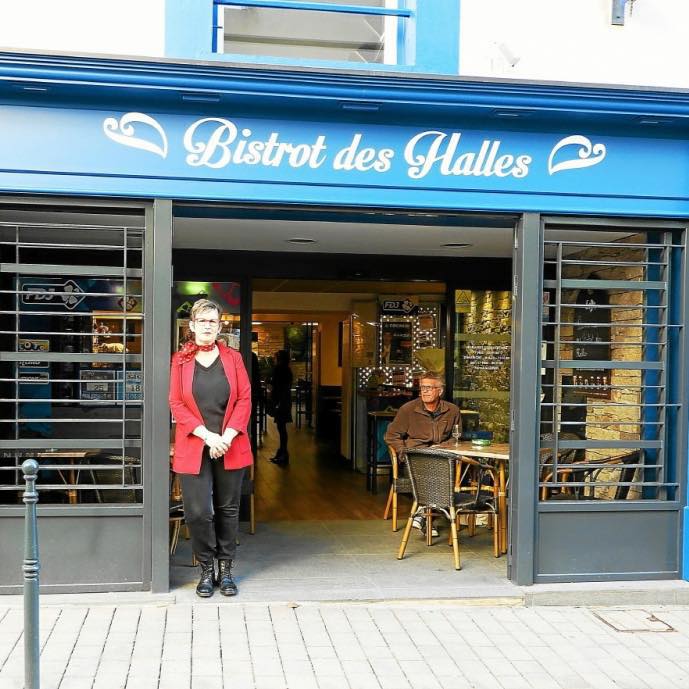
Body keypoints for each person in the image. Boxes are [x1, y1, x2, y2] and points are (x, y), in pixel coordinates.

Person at [169, 299, 253, 598]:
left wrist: (226, 437)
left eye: (212, 321)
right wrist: (208, 437)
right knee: (198, 511)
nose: (207, 326)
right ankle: (206, 569)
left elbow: (244, 399)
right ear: (191, 326)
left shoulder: (233, 358)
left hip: (231, 443)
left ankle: (226, 570)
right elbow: (176, 404)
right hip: (195, 443)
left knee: (228, 510)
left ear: (220, 326)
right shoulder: (180, 360)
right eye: (202, 321)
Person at [384, 371, 460, 536]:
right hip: (415, 457)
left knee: (449, 471)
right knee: (434, 474)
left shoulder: (452, 410)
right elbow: (391, 436)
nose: (424, 391)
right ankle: (427, 518)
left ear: (439, 391)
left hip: (442, 457)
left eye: (429, 388)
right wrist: (404, 452)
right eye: (422, 388)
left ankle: (422, 516)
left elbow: (457, 438)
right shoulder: (408, 409)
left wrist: (443, 447)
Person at [268, 349, 293, 465]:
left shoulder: (279, 369)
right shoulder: (288, 370)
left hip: (280, 402)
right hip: (285, 401)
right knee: (282, 428)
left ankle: (283, 453)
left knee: (281, 428)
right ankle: (283, 452)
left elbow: (275, 385)